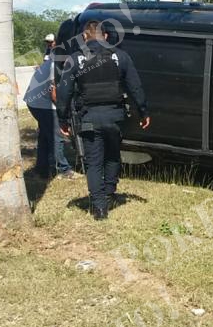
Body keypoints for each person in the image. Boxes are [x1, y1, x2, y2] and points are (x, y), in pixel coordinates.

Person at [56, 21, 150, 220]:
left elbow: (63, 92)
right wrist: (143, 112)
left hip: (89, 118)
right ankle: (109, 193)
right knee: (113, 155)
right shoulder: (120, 56)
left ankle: (99, 208)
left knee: (93, 163)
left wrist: (62, 120)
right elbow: (135, 87)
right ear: (105, 36)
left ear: (84, 37)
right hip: (115, 117)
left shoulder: (75, 59)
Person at [24, 37, 75, 178]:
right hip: (42, 104)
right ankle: (64, 170)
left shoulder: (53, 58)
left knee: (45, 136)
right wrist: (63, 111)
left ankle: (41, 168)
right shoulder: (55, 64)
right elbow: (53, 92)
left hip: (34, 102)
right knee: (55, 136)